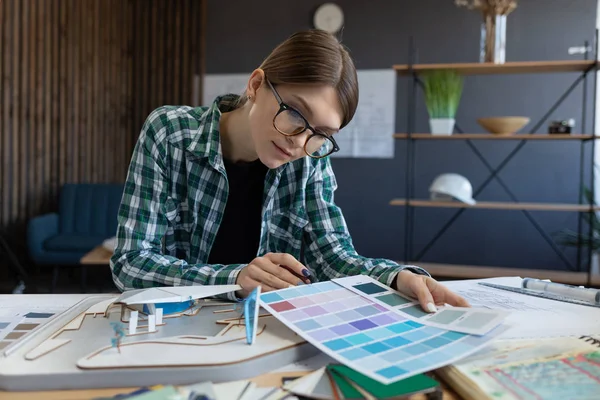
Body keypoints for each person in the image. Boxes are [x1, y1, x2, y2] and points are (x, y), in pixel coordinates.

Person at [110, 29, 469, 313]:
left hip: (264, 331)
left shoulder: (311, 158)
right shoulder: (170, 133)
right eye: (296, 114)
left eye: (322, 134)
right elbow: (130, 263)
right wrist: (235, 278)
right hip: (173, 327)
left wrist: (395, 277)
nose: (300, 142)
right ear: (255, 85)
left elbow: (333, 257)